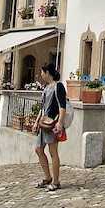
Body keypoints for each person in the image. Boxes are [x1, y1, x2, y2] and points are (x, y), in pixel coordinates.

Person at [32, 63, 67, 192]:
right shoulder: (46, 88)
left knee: (53, 153)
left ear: (47, 73)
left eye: (42, 72)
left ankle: (56, 181)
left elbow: (62, 106)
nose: (41, 75)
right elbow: (42, 108)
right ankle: (47, 177)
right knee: (38, 149)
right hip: (43, 123)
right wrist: (36, 122)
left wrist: (60, 123)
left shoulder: (58, 86)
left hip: (52, 124)